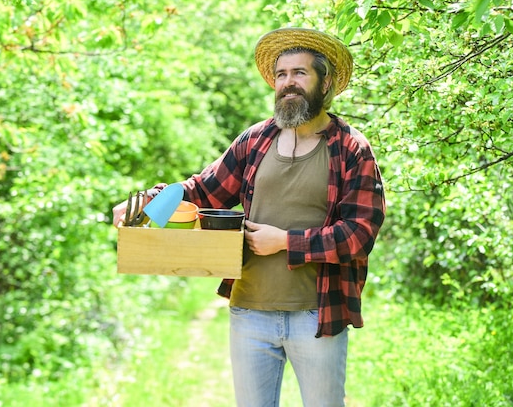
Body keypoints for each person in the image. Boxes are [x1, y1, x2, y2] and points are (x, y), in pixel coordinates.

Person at [112, 27, 386, 407]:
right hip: (249, 313)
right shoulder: (255, 140)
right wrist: (143, 205)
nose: (288, 83)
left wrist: (286, 242)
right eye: (281, 75)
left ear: (326, 83)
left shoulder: (351, 147)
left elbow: (360, 232)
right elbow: (200, 190)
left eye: (300, 73)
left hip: (318, 315)